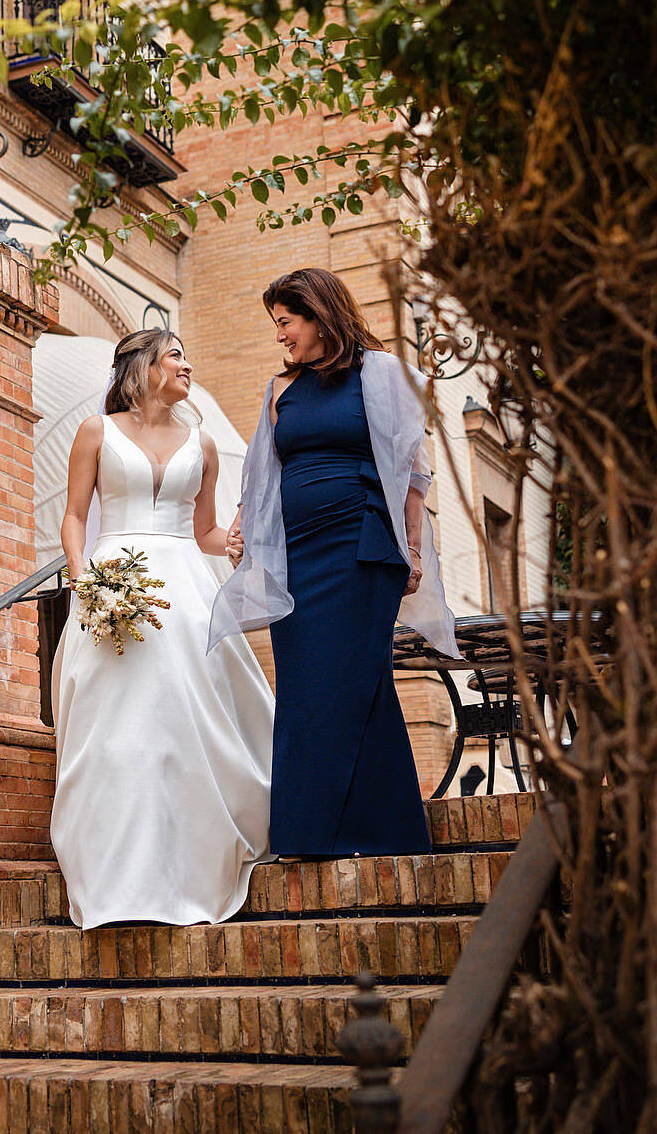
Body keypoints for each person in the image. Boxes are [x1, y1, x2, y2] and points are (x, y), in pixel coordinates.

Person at [213, 268, 460, 858]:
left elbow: (413, 470)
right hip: (297, 554)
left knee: (347, 678)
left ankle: (329, 830)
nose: (280, 336)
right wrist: (247, 525)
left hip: (361, 548)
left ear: (320, 314)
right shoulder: (279, 389)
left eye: (286, 322)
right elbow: (262, 469)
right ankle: (372, 831)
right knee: (307, 682)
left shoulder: (383, 375)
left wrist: (414, 549)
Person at [52, 329, 275, 928]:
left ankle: (190, 867)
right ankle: (113, 878)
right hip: (111, 583)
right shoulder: (96, 432)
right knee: (116, 729)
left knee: (185, 723)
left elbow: (203, 532)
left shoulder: (202, 444)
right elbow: (74, 517)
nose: (188, 365)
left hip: (185, 588)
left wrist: (227, 542)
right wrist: (85, 581)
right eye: (176, 355)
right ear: (143, 366)